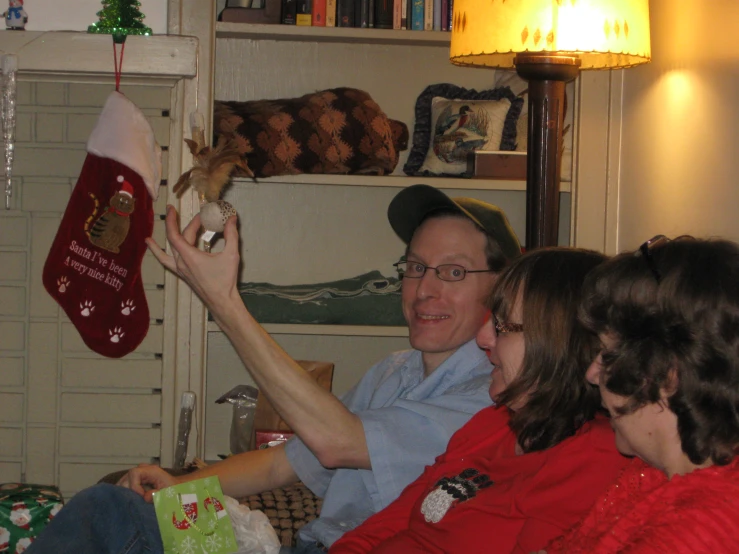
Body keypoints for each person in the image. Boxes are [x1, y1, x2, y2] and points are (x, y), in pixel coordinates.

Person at [26, 184, 522, 554]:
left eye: (454, 272)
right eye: (415, 267)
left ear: (501, 288)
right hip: (295, 547)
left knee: (108, 515)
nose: (425, 289)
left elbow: (339, 441)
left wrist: (225, 303)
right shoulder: (393, 372)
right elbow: (286, 460)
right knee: (116, 506)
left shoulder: (490, 399)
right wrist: (181, 486)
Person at [330, 248, 631, 554]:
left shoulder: (593, 456)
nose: (483, 339)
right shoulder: (492, 423)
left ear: (559, 340)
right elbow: (385, 526)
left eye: (503, 326)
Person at [544, 236, 739, 553]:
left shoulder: (704, 528)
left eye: (607, 354)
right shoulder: (652, 472)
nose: (592, 375)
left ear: (668, 373)